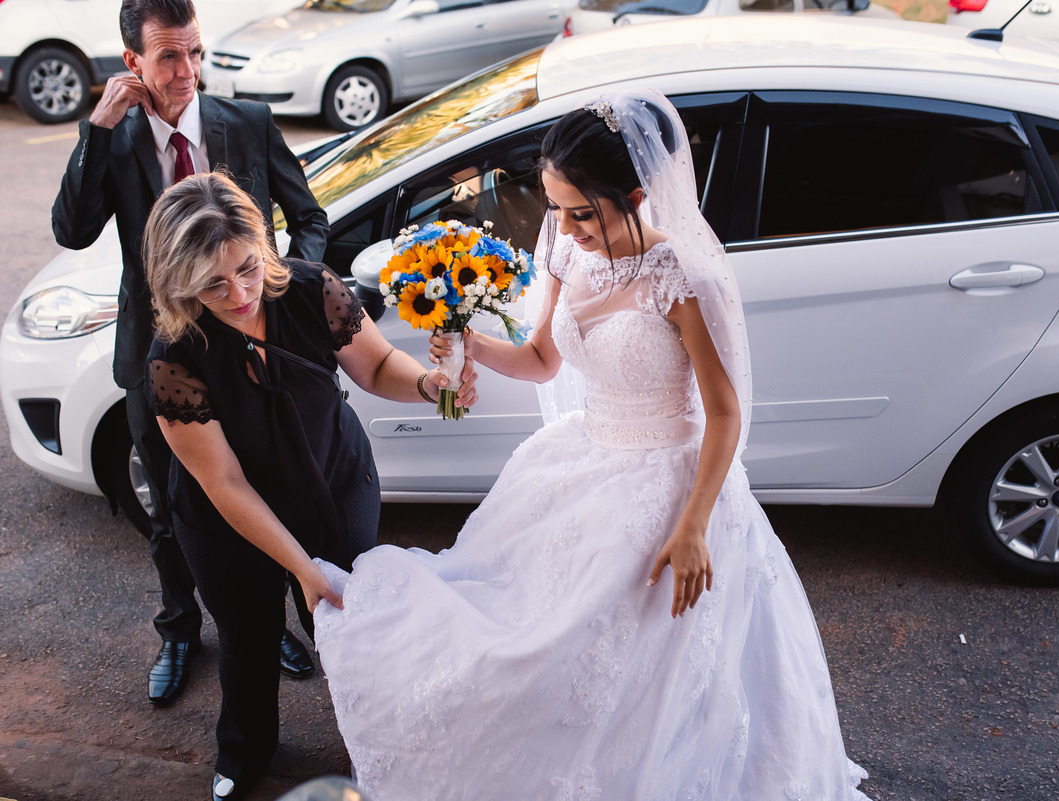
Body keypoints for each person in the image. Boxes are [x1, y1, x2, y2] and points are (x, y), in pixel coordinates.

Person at [313, 89, 871, 799]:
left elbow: (725, 413)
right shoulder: (571, 256)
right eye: (555, 208)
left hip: (668, 485)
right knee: (523, 643)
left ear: (636, 195)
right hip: (581, 464)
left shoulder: (683, 277)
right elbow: (543, 360)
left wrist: (694, 525)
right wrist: (471, 344)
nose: (567, 228)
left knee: (637, 680)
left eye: (583, 212)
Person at [142, 171, 477, 801]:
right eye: (213, 284)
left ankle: (374, 748)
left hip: (332, 480)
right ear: (179, 282)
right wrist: (302, 567)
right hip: (229, 517)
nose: (240, 293)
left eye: (245, 267)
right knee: (246, 638)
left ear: (261, 246)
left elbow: (376, 364)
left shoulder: (308, 289)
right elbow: (226, 482)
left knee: (355, 627)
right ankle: (244, 753)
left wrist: (433, 385)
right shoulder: (173, 357)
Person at [50, 0, 328, 707]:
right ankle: (178, 627)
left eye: (196, 53)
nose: (188, 72)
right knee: (172, 505)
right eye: (170, 57)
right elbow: (72, 230)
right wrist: (95, 130)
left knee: (259, 491)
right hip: (158, 358)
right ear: (132, 64)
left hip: (250, 353)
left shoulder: (248, 123)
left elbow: (311, 219)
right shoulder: (112, 141)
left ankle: (266, 620)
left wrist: (286, 298)